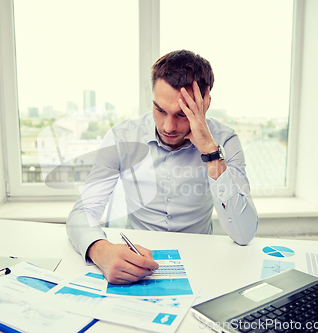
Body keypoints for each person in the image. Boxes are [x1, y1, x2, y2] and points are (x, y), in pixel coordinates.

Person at [66, 49, 258, 284]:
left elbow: (245, 232)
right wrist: (101, 251)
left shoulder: (225, 140)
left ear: (205, 103)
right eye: (160, 110)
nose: (168, 126)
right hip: (138, 258)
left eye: (182, 114)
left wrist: (210, 151)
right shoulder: (123, 136)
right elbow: (81, 213)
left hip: (200, 264)